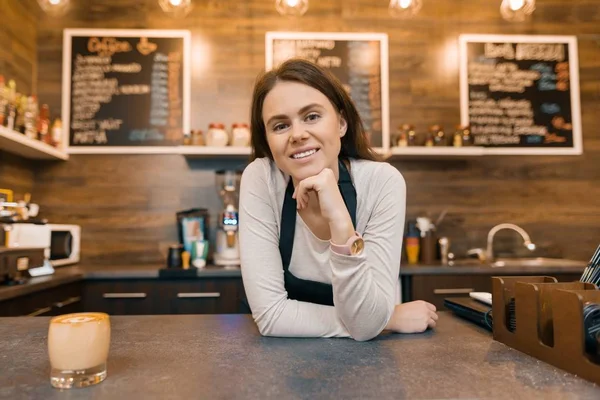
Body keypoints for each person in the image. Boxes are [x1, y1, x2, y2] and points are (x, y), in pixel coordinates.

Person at [239, 59, 437, 341]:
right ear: (268, 140)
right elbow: (271, 316)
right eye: (280, 125)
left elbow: (367, 323)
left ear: (341, 123)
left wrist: (341, 221)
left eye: (311, 117)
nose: (298, 135)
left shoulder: (382, 183)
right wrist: (387, 319)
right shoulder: (261, 179)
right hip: (280, 364)